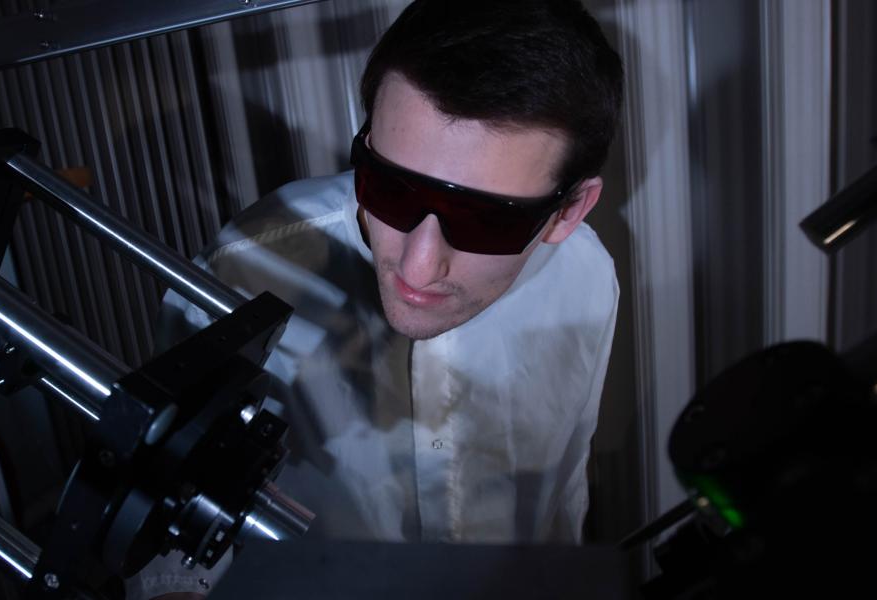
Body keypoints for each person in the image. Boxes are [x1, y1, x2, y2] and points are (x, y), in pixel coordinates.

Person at [132, 0, 623, 597]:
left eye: (487, 220)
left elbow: (560, 496)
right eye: (390, 187)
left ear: (569, 211)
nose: (418, 266)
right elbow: (164, 529)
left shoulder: (586, 278)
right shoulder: (246, 268)